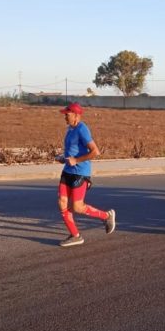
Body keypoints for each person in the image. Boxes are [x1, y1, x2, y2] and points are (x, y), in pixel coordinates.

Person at [55, 102, 115, 247]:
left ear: (76, 116)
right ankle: (75, 235)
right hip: (67, 171)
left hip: (80, 173)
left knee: (77, 207)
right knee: (62, 203)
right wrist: (63, 157)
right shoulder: (70, 129)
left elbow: (95, 151)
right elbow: (73, 151)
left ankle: (107, 216)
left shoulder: (82, 129)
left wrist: (76, 160)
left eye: (67, 115)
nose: (65, 117)